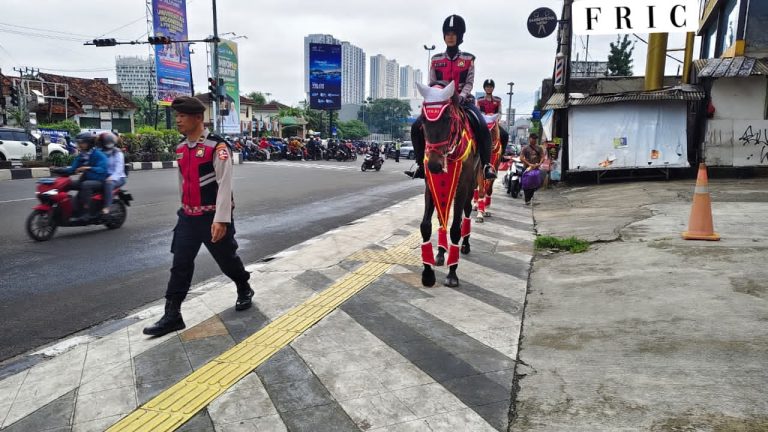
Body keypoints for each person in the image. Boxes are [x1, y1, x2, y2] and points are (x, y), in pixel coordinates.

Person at [143, 96, 253, 337]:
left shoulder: (217, 147)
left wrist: (221, 219)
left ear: (198, 118)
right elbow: (183, 182)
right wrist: (184, 207)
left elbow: (224, 185)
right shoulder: (181, 148)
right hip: (188, 217)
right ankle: (172, 315)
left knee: (226, 259)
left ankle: (244, 286)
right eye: (177, 116)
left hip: (212, 217)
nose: (178, 120)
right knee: (180, 264)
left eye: (182, 116)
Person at [406, 14, 496, 180]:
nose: (450, 37)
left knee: (483, 126)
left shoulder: (468, 59)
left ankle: (486, 165)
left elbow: (469, 82)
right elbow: (432, 83)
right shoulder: (436, 60)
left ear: (460, 36)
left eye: (454, 33)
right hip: (442, 104)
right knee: (416, 126)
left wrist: (461, 96)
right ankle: (420, 165)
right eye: (447, 33)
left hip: (463, 102)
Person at [64, 132, 109, 222]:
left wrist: (88, 168)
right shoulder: (82, 155)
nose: (79, 145)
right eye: (78, 143)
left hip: (100, 180)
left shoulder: (99, 154)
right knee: (67, 183)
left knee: (86, 185)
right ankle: (69, 207)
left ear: (89, 143)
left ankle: (86, 213)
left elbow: (103, 169)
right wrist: (57, 170)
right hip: (87, 178)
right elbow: (72, 169)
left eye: (82, 143)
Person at [98, 132, 126, 214]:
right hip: (104, 176)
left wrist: (112, 177)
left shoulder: (117, 153)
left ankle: (107, 207)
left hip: (119, 177)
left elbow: (119, 169)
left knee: (108, 183)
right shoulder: (100, 152)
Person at [520, 132, 546, 206]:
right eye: (533, 139)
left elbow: (542, 157)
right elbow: (521, 157)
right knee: (526, 184)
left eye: (535, 139)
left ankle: (529, 198)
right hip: (527, 168)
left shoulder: (539, 148)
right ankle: (527, 199)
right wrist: (529, 164)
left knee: (535, 183)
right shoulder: (525, 148)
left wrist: (540, 163)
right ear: (529, 139)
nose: (534, 140)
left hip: (536, 168)